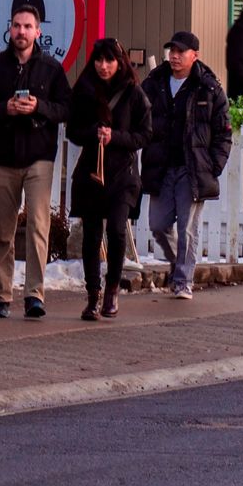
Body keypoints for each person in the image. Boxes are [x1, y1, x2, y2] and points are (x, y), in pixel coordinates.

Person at [0, 2, 73, 318]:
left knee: (38, 227)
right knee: (3, 229)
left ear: (38, 32)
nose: (21, 31)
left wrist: (39, 106)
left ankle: (34, 295)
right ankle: (2, 296)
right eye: (17, 25)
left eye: (27, 26)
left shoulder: (52, 69)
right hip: (3, 157)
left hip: (39, 156)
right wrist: (6, 108)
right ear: (9, 28)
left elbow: (65, 109)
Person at [140, 31, 232, 300]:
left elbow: (223, 132)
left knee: (187, 228)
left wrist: (213, 166)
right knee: (158, 224)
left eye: (181, 51)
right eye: (172, 51)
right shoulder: (154, 83)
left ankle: (183, 281)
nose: (175, 56)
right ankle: (178, 264)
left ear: (195, 55)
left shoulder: (209, 88)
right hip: (161, 166)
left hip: (192, 168)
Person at [67, 37, 153, 320]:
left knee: (116, 230)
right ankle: (93, 295)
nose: (103, 67)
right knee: (91, 234)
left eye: (109, 61)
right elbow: (72, 130)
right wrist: (94, 131)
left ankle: (113, 289)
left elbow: (145, 134)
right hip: (92, 172)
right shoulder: (84, 88)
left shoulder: (133, 93)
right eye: (99, 60)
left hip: (122, 174)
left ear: (120, 62)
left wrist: (115, 136)